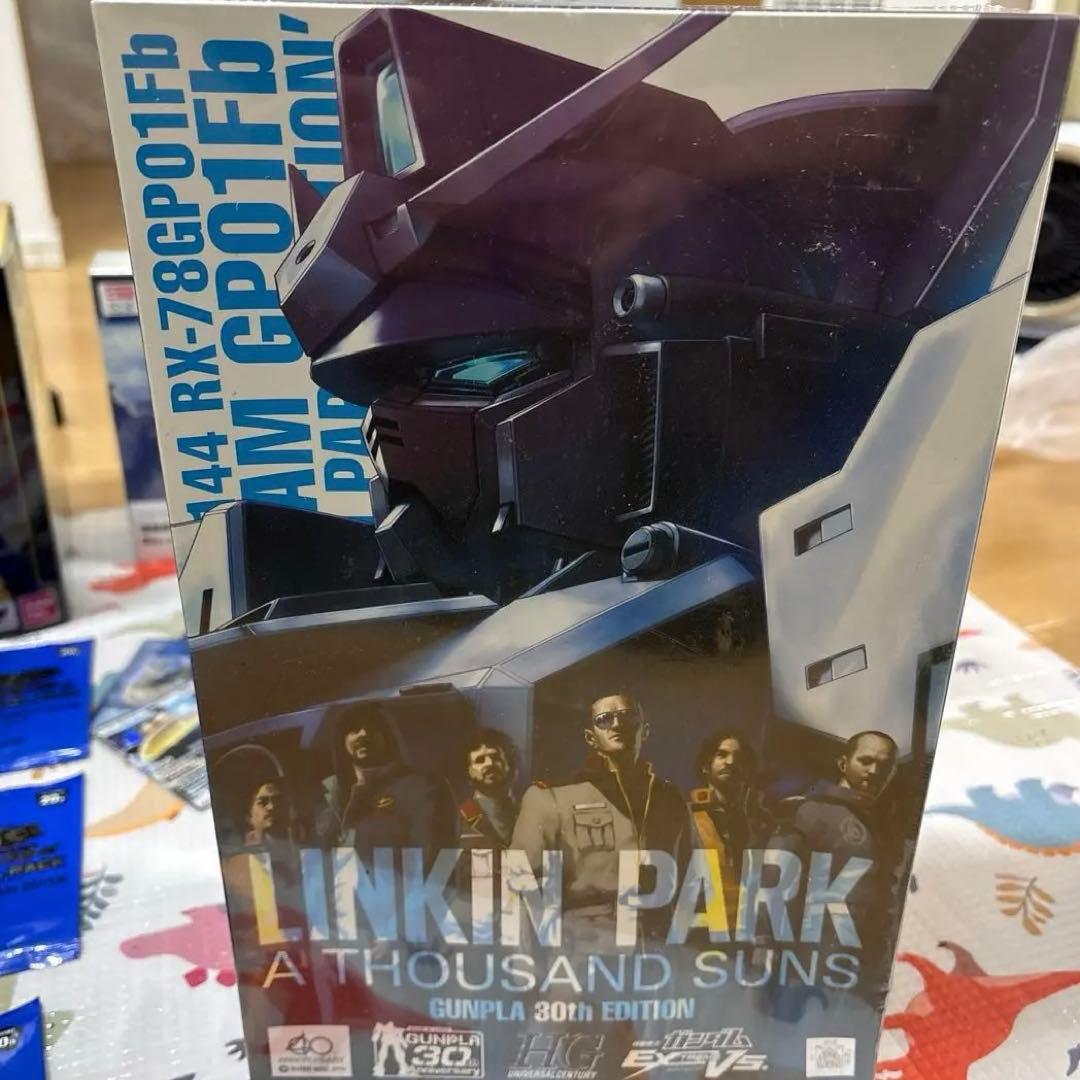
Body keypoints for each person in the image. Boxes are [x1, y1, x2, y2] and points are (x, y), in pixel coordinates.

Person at [510, 692, 691, 946]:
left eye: (627, 717)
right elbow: (523, 886)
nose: (617, 725)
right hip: (584, 951)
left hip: (655, 951)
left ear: (645, 730)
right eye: (604, 719)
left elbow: (689, 879)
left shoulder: (668, 797)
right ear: (590, 737)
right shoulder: (553, 796)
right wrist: (528, 964)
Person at [771, 730, 901, 995]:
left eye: (884, 766)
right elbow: (774, 884)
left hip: (858, 969)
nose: (874, 771)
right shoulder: (809, 811)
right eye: (865, 761)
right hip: (805, 962)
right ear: (843, 763)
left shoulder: (884, 830)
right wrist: (768, 947)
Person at [315, 700, 455, 859]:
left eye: (373, 727)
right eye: (354, 729)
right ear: (342, 741)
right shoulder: (330, 795)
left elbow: (435, 857)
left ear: (388, 735)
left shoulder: (425, 787)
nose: (363, 733)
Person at [688, 730, 772, 911]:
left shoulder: (754, 823)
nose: (731, 762)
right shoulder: (686, 815)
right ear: (706, 766)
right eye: (721, 755)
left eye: (739, 758)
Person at [458, 727, 520, 850]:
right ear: (468, 771)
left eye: (496, 757)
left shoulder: (527, 814)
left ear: (509, 763)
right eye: (480, 760)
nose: (489, 763)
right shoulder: (461, 816)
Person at [245, 776, 292, 846]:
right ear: (249, 815)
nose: (271, 807)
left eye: (277, 801)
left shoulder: (301, 850)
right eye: (262, 802)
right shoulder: (242, 852)